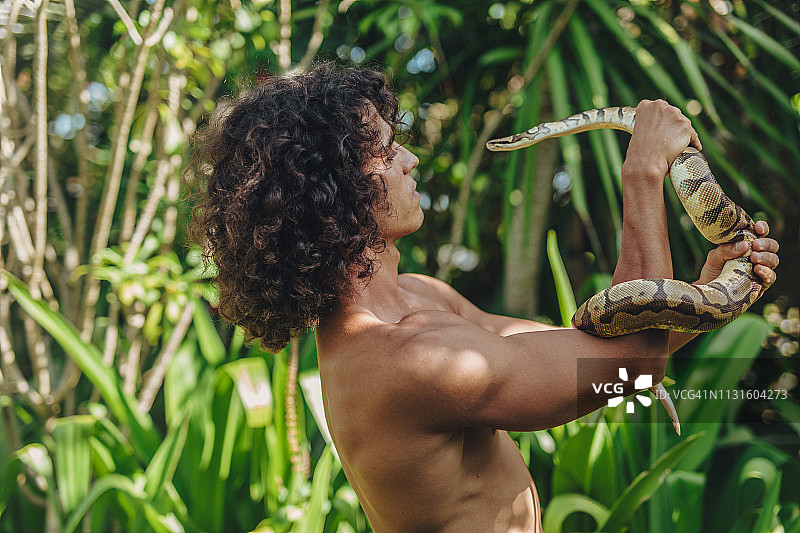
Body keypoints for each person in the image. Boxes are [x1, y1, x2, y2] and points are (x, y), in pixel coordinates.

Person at [186, 62, 779, 532]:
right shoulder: (399, 362)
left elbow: (590, 359)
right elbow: (629, 365)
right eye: (386, 152)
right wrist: (644, 170)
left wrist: (711, 291)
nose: (410, 159)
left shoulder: (423, 299)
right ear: (334, 191)